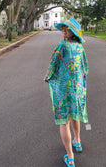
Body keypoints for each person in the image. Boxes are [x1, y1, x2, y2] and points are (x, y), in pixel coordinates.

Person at [43, 18, 89, 167]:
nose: (63, 30)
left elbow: (53, 63)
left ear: (73, 32)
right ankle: (78, 142)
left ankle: (70, 157)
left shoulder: (62, 45)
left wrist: (47, 77)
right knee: (74, 115)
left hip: (64, 89)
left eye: (67, 29)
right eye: (63, 28)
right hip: (77, 88)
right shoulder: (80, 47)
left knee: (64, 121)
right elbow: (85, 67)